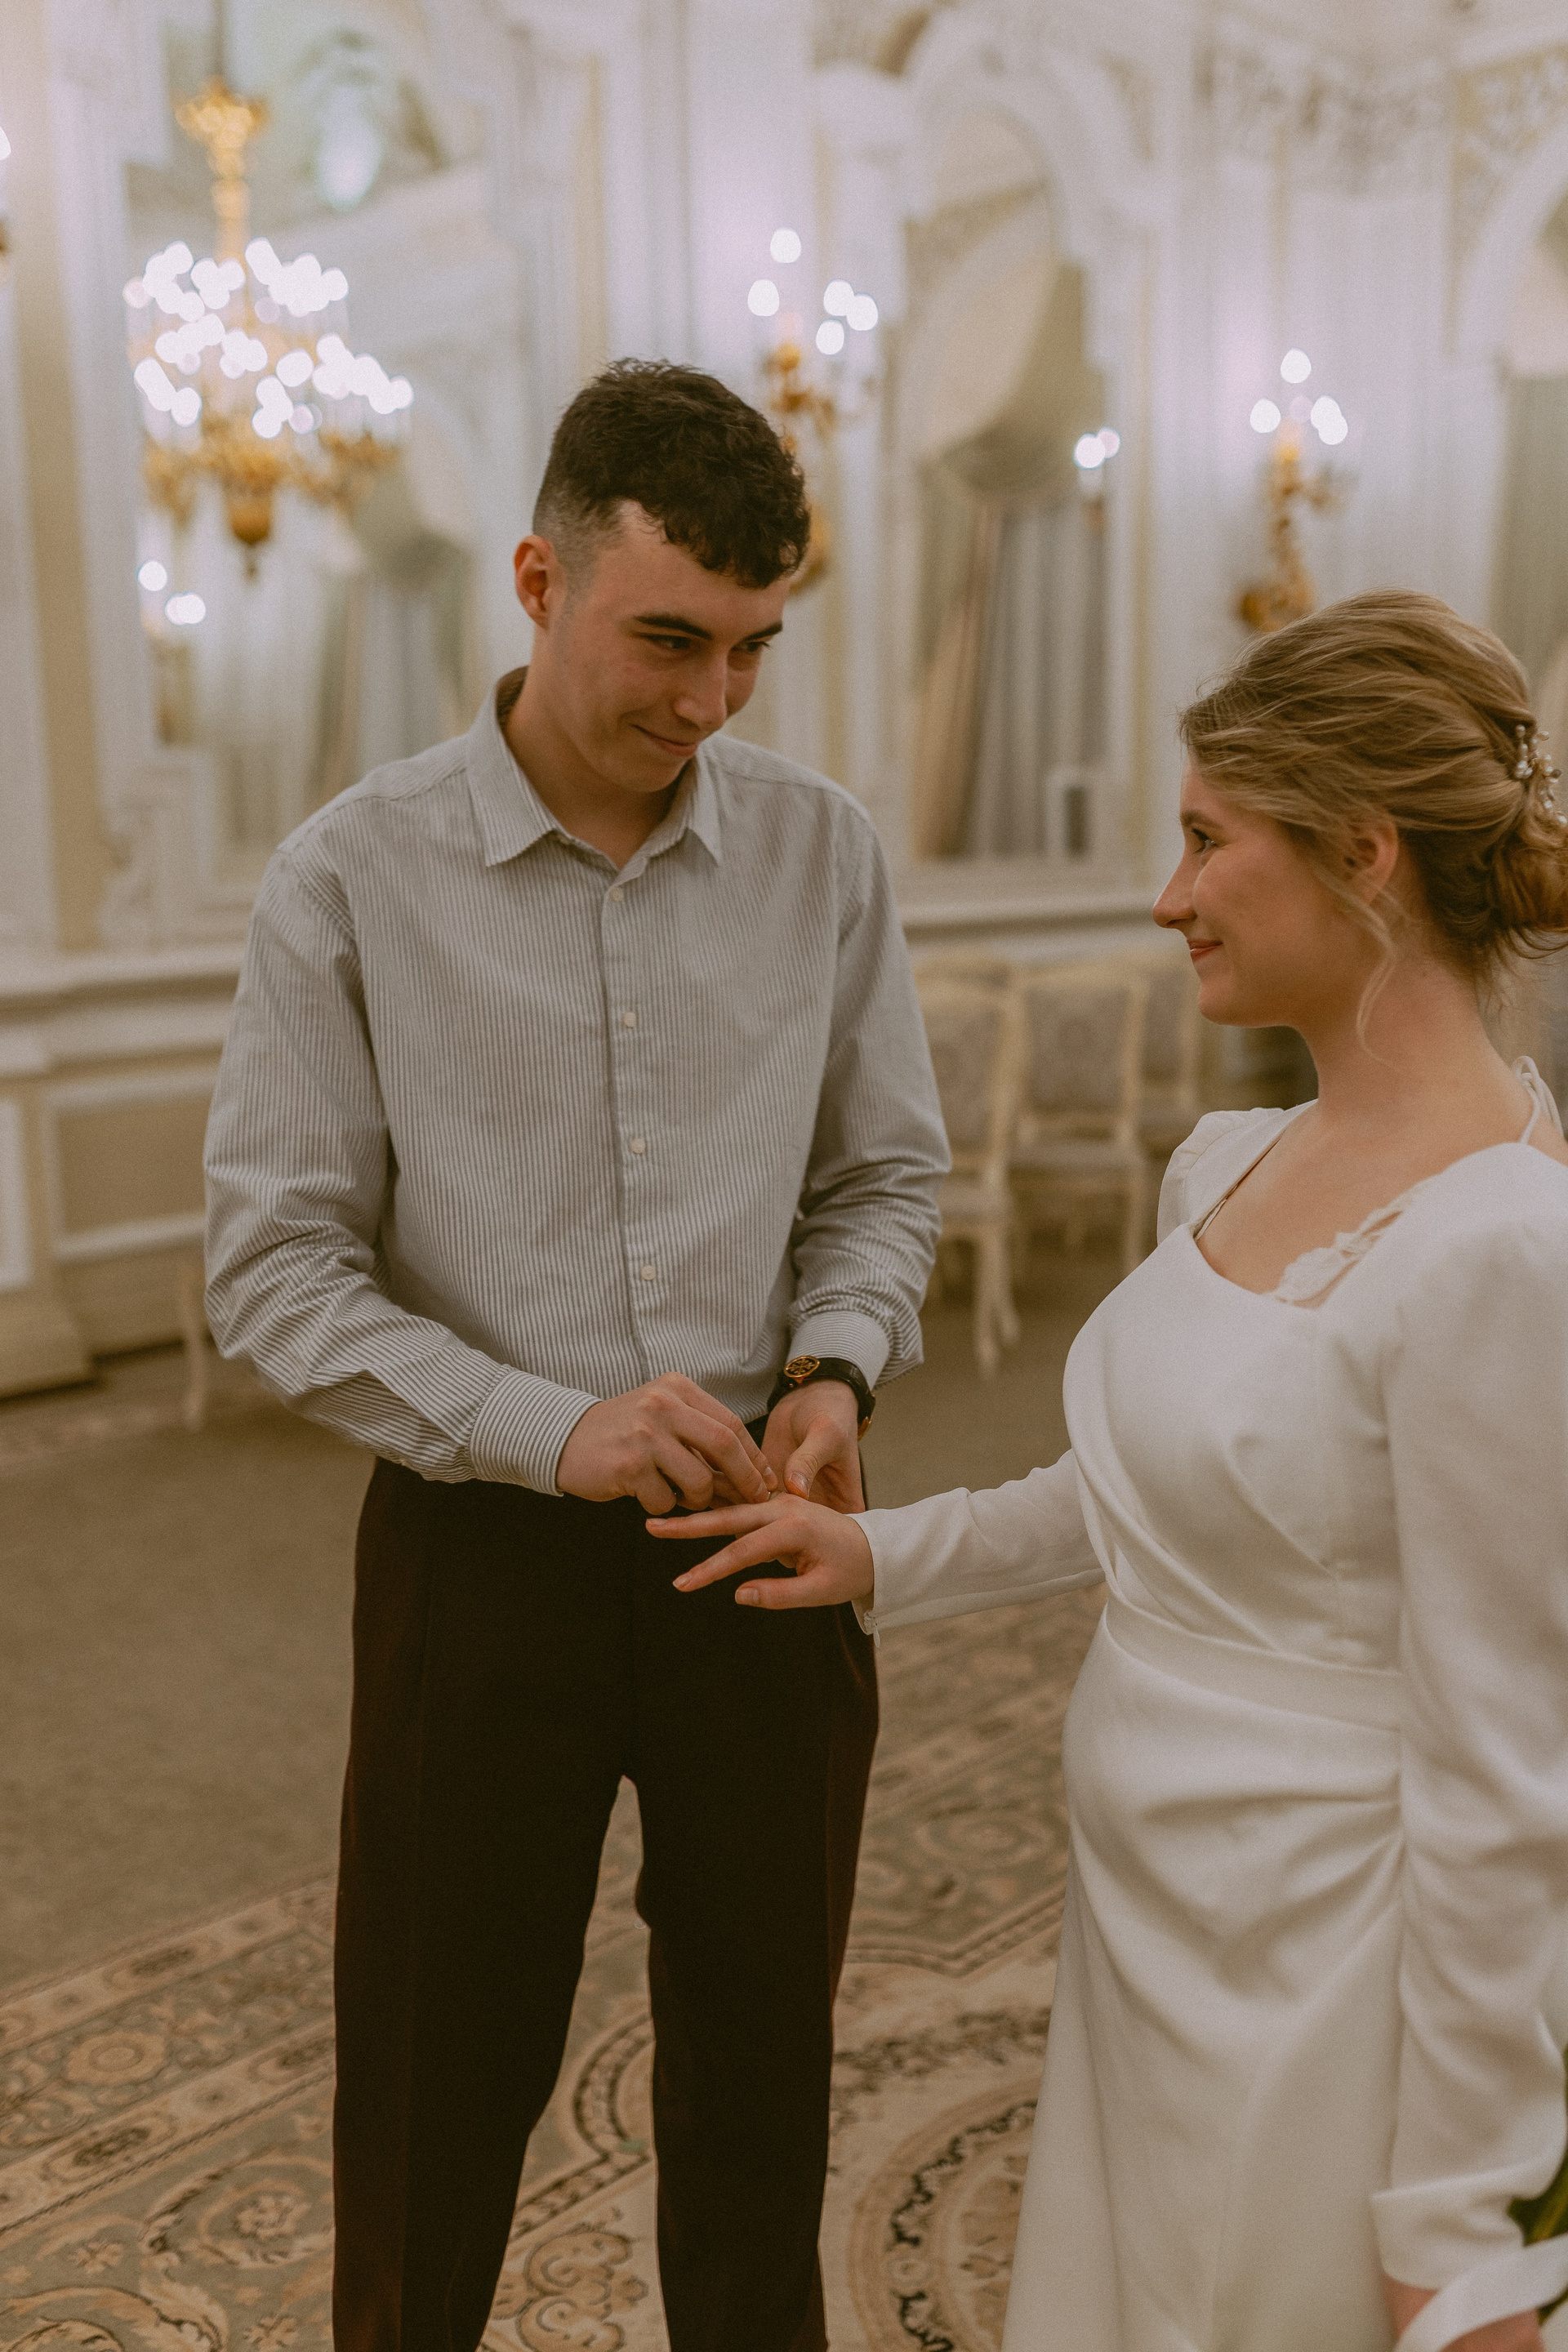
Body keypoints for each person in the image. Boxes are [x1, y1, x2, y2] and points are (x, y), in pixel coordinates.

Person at [657, 590, 1568, 2352]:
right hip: (1150, 1915)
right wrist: (887, 1555)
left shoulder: (1508, 1248)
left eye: (1208, 841)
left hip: (1326, 1962)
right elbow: (1159, 1486)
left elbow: (1506, 1778)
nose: (1169, 896)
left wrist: (1468, 2234)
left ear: (1363, 852)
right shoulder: (1230, 1157)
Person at [203, 358, 947, 2352]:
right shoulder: (348, 878)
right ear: (539, 582)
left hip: (766, 1546)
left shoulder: (822, 855)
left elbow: (882, 1177)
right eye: (670, 640)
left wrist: (837, 1369)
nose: (713, 700)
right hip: (479, 1558)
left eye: (756, 646)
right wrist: (551, 1430)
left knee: (763, 2096)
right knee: (433, 2101)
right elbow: (274, 1268)